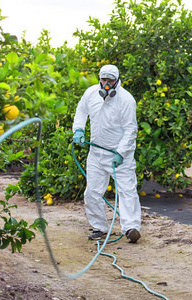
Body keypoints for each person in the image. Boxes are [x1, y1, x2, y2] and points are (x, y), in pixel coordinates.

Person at [72, 64, 141, 243]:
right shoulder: (90, 93)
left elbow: (130, 130)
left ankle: (131, 228)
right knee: (92, 192)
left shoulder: (126, 100)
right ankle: (99, 227)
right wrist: (79, 130)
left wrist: (121, 152)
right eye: (104, 80)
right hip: (96, 153)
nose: (107, 84)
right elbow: (81, 111)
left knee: (127, 191)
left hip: (120, 156)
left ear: (117, 80)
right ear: (99, 79)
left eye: (111, 80)